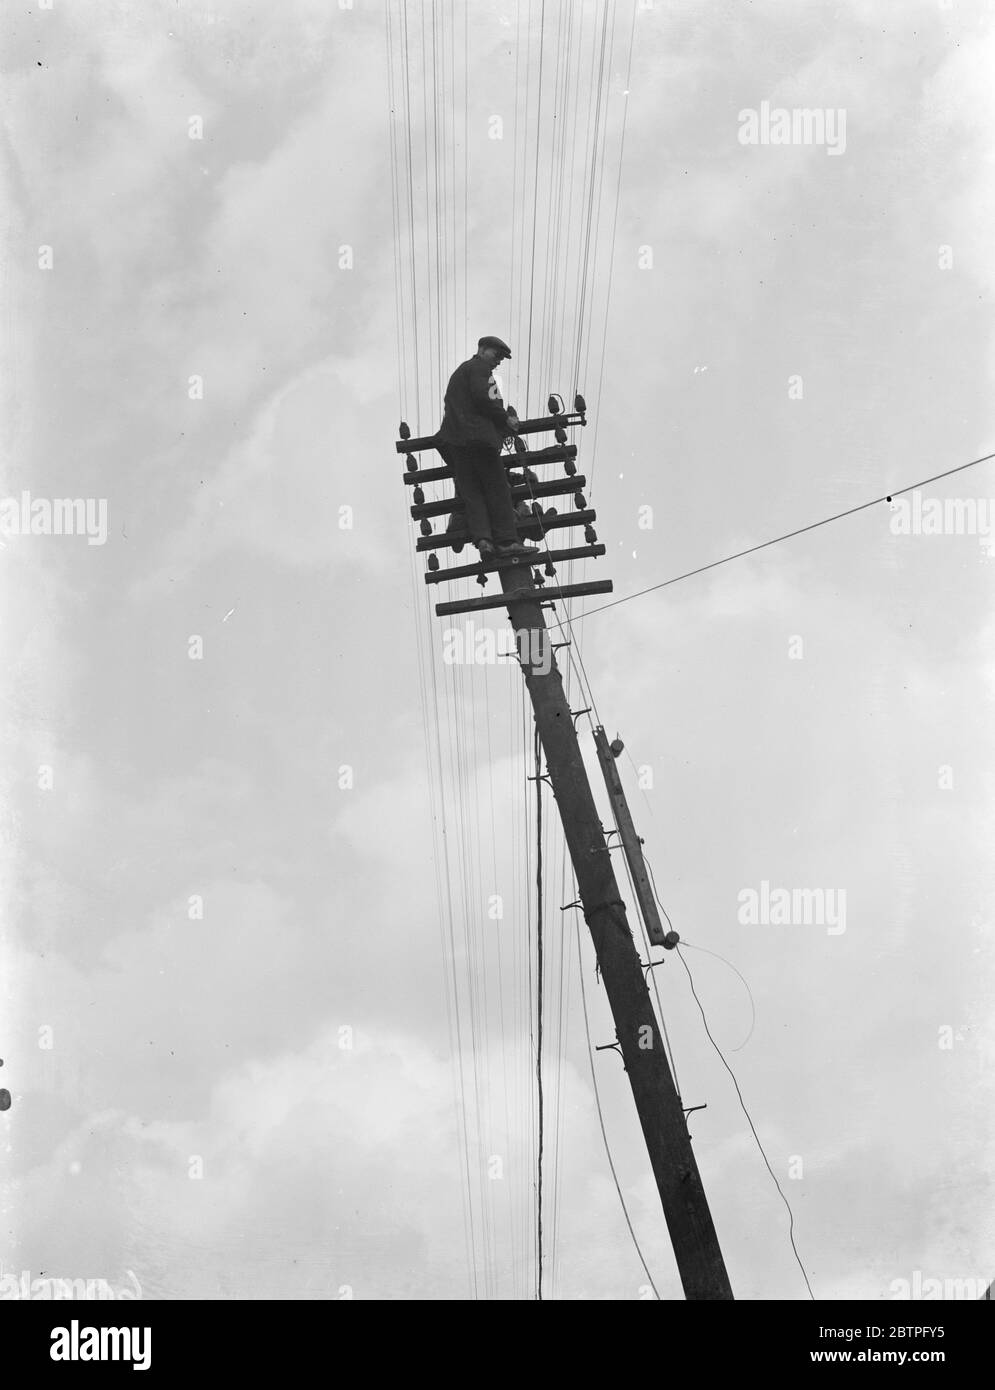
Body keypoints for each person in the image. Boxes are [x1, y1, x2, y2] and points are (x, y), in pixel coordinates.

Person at [437, 336, 537, 558]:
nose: (498, 361)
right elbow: (484, 399)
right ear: (482, 350)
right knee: (497, 490)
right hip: (479, 440)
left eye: (501, 358)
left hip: (456, 443)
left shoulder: (461, 371)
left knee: (472, 493)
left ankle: (484, 540)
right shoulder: (480, 369)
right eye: (496, 355)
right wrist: (505, 420)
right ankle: (507, 542)